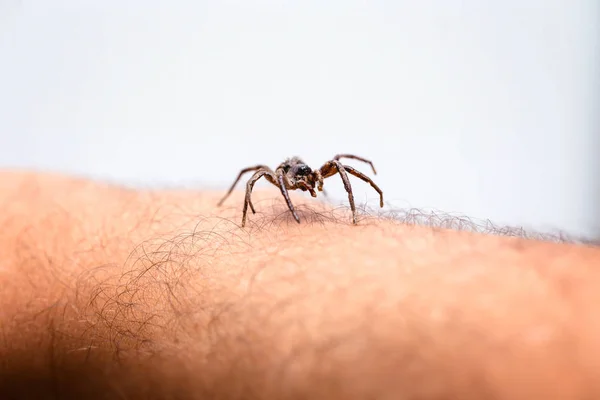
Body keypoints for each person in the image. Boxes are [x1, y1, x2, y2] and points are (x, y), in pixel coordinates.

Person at [1, 170, 599, 399]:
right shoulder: (273, 180)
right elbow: (263, 177)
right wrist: (264, 210)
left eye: (307, 183)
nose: (307, 188)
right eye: (299, 185)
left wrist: (366, 194)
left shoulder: (319, 173)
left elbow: (333, 168)